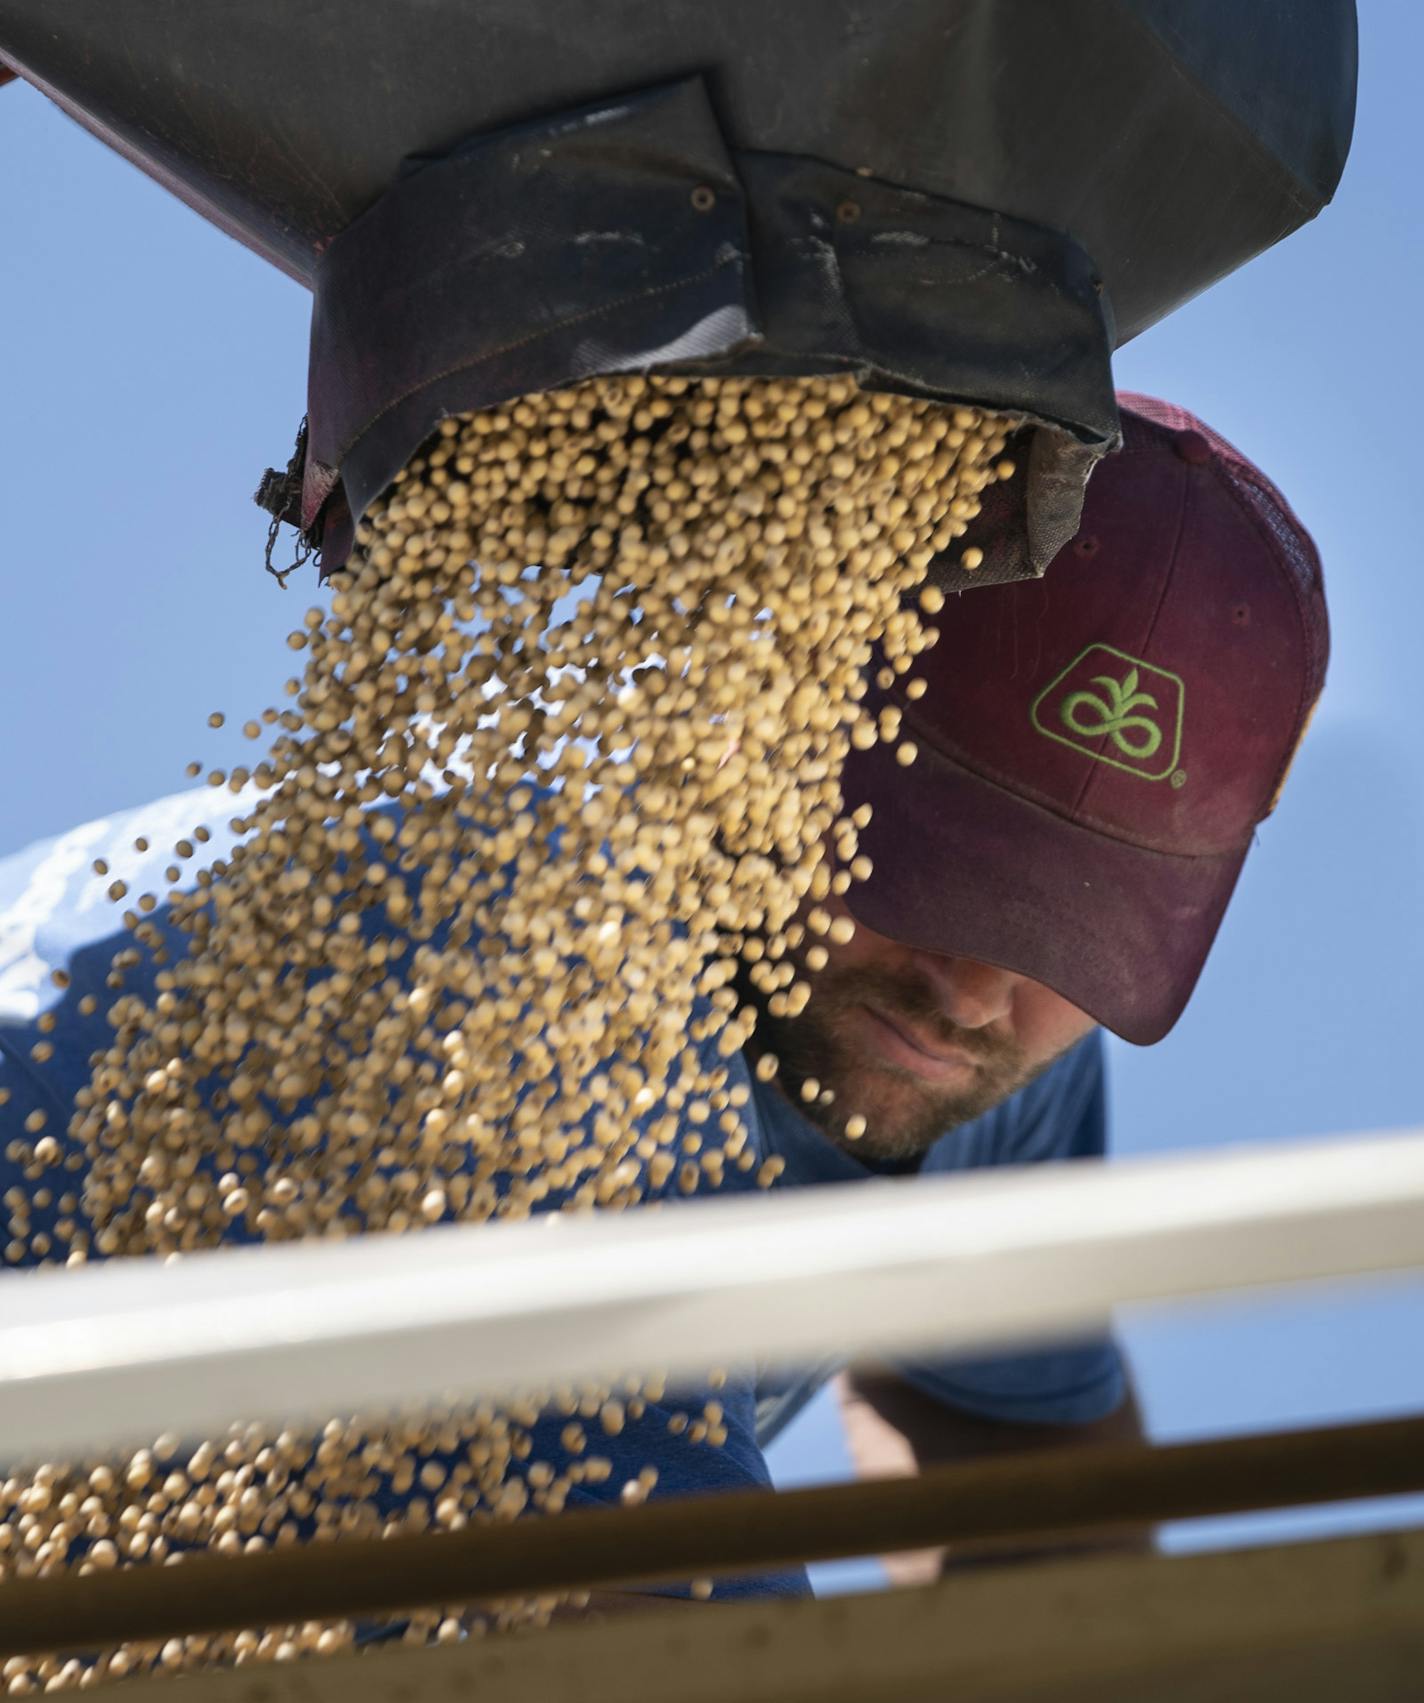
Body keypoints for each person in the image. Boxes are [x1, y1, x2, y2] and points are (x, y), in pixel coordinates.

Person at [0, 394, 1327, 1602]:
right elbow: (665, 1629)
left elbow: (1011, 1461)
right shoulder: (519, 976)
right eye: (939, 873)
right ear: (758, 716)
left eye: (1062, 928)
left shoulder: (960, 1034)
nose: (977, 991)